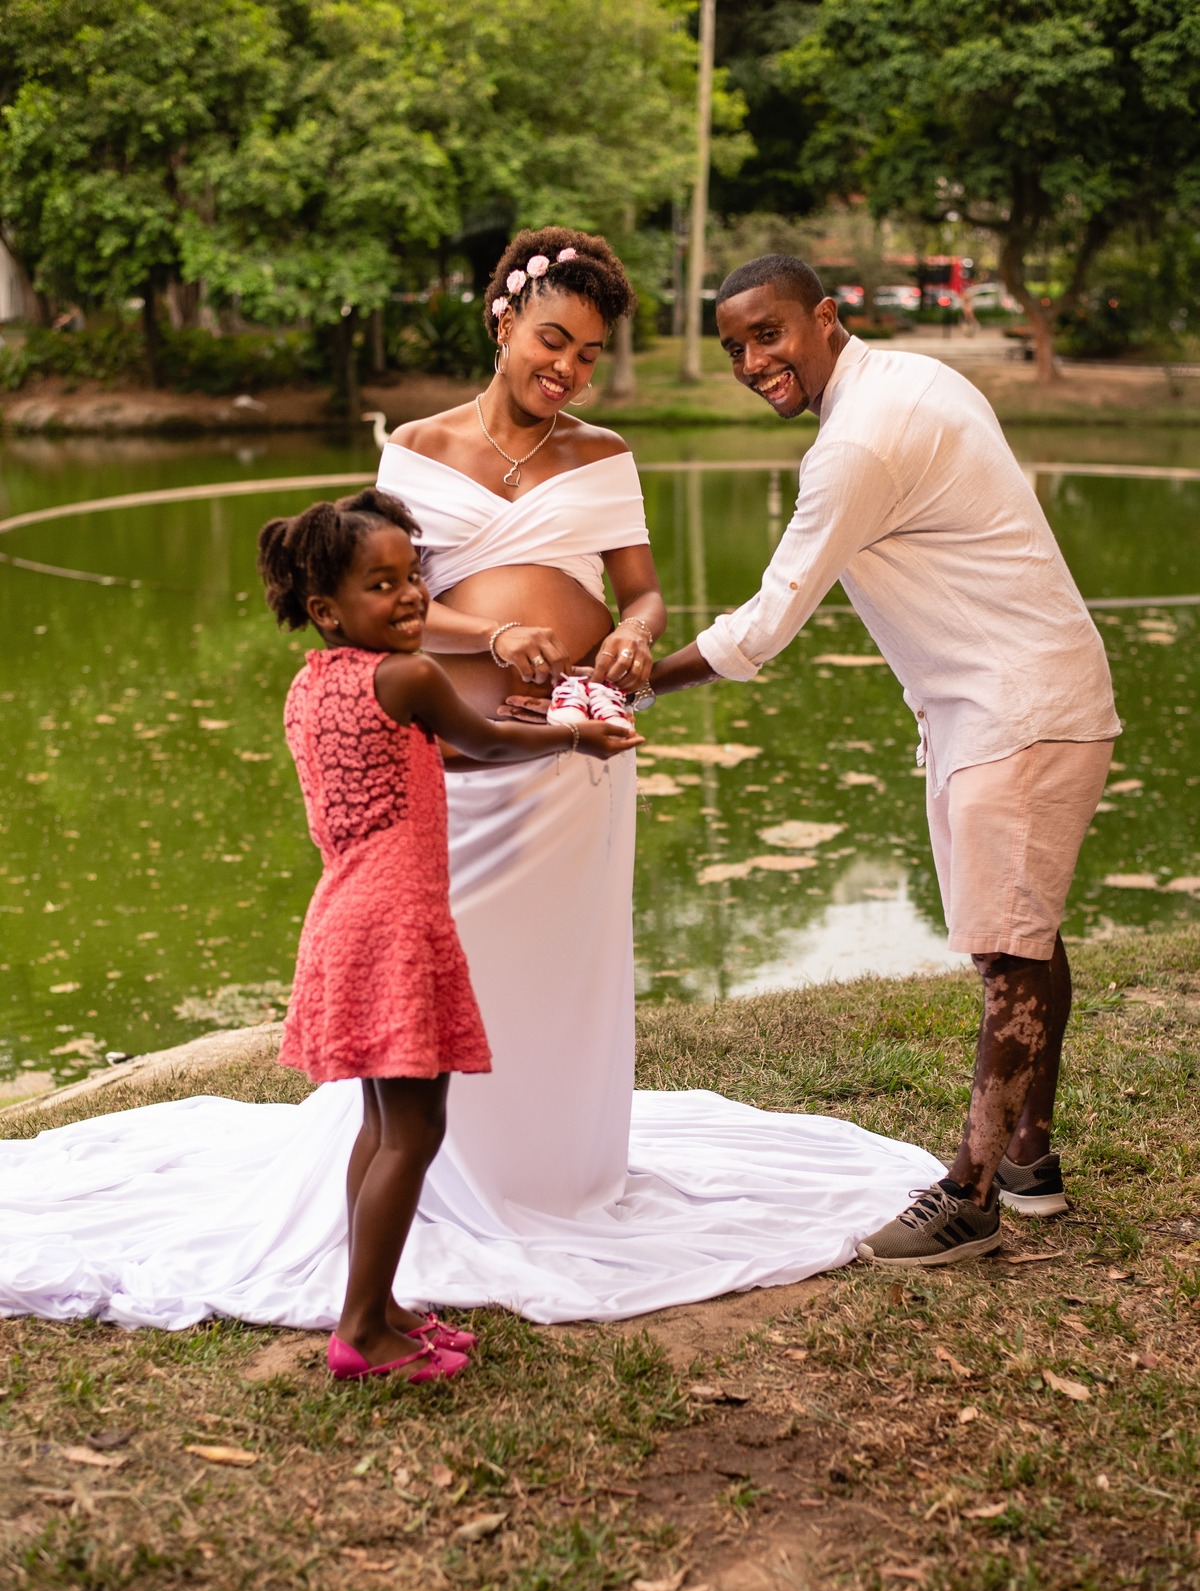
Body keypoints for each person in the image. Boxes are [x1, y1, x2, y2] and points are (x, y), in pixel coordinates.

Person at [0, 231, 946, 1333]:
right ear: (504, 326)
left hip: (577, 760)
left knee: (556, 979)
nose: (569, 370)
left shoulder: (607, 457)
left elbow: (641, 595)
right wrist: (490, 635)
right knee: (445, 984)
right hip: (461, 763)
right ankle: (438, 1190)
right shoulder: (414, 450)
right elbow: (389, 596)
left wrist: (637, 641)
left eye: (589, 354)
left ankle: (556, 1173)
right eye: (554, 341)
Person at [651, 253, 1120, 1270]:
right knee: (1023, 934)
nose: (750, 360)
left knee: (1013, 949)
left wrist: (639, 682)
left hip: (1017, 707)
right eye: (733, 345)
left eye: (767, 335)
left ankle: (973, 1192)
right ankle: (1029, 1163)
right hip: (1001, 701)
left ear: (825, 317)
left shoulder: (859, 439)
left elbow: (770, 621)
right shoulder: (909, 381)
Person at [259, 486, 638, 1379]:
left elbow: (434, 748)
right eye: (380, 586)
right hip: (397, 921)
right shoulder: (414, 673)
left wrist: (509, 731)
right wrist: (573, 737)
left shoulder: (318, 684)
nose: (409, 597)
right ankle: (361, 1333)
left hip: (345, 916)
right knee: (416, 1128)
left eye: (413, 577)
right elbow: (487, 743)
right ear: (327, 608)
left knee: (380, 1123)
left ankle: (377, 1299)